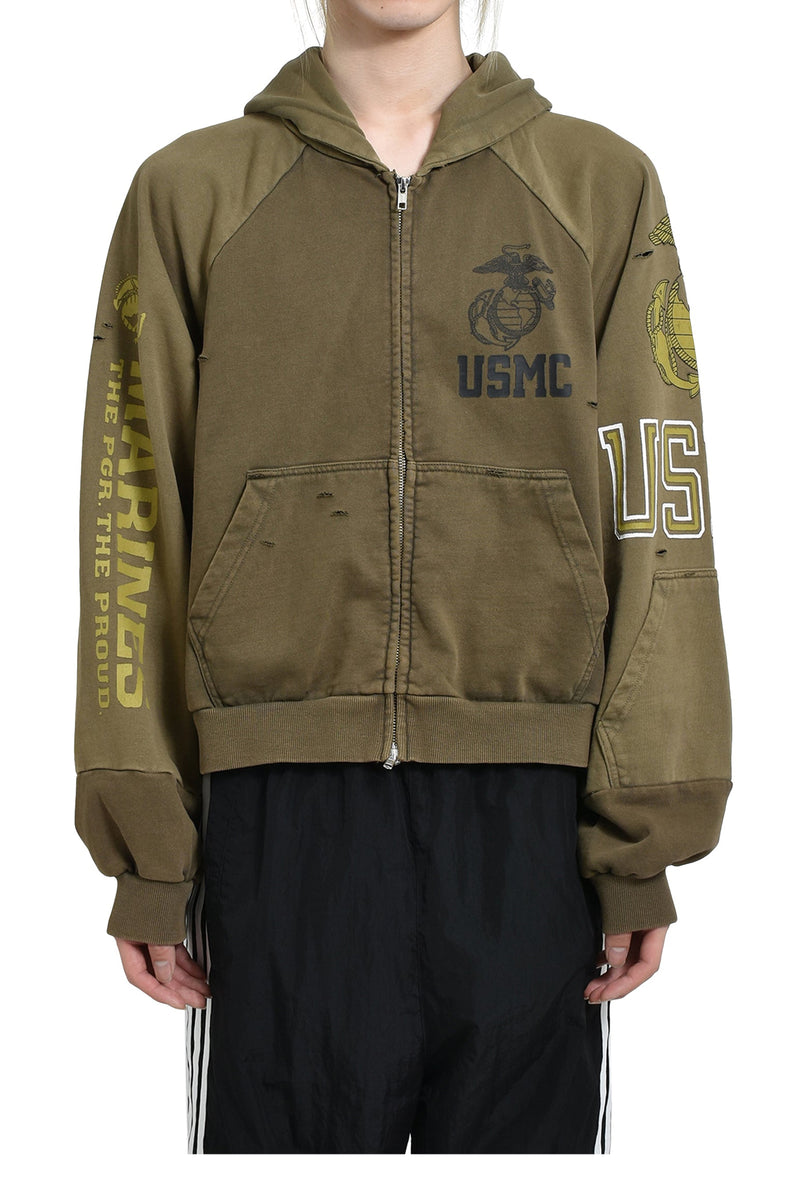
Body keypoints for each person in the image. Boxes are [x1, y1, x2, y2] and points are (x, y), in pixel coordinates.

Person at [73, 0, 733, 1155]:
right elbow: (131, 518)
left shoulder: (597, 184)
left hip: (530, 810)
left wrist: (642, 829)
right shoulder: (191, 192)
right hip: (275, 811)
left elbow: (657, 508)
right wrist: (147, 844)